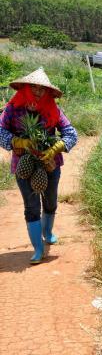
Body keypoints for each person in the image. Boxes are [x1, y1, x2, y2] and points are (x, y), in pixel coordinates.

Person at [0, 68, 78, 264]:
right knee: (31, 206)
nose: (37, 90)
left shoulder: (53, 109)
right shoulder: (12, 109)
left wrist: (56, 148)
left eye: (42, 88)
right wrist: (18, 142)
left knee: (50, 202)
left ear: (47, 92)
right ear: (26, 87)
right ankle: (37, 248)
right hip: (23, 164)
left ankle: (48, 232)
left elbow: (71, 133)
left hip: (50, 164)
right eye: (33, 86)